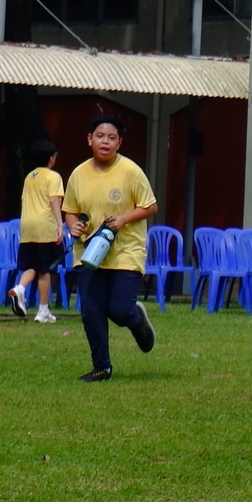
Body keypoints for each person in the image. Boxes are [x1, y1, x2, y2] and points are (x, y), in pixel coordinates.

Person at [61, 114, 158, 381]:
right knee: (91, 311)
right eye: (100, 136)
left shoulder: (131, 171)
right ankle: (101, 367)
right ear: (89, 139)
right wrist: (73, 226)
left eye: (111, 138)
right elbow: (70, 210)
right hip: (89, 253)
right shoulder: (78, 174)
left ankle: (136, 320)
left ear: (119, 143)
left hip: (126, 250)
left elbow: (150, 206)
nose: (105, 142)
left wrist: (124, 219)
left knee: (120, 310)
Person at [7, 139, 66, 322]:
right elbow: (54, 200)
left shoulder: (29, 177)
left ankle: (20, 289)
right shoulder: (53, 177)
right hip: (44, 225)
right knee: (45, 269)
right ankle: (43, 310)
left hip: (27, 226)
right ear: (51, 158)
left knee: (32, 265)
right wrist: (60, 224)